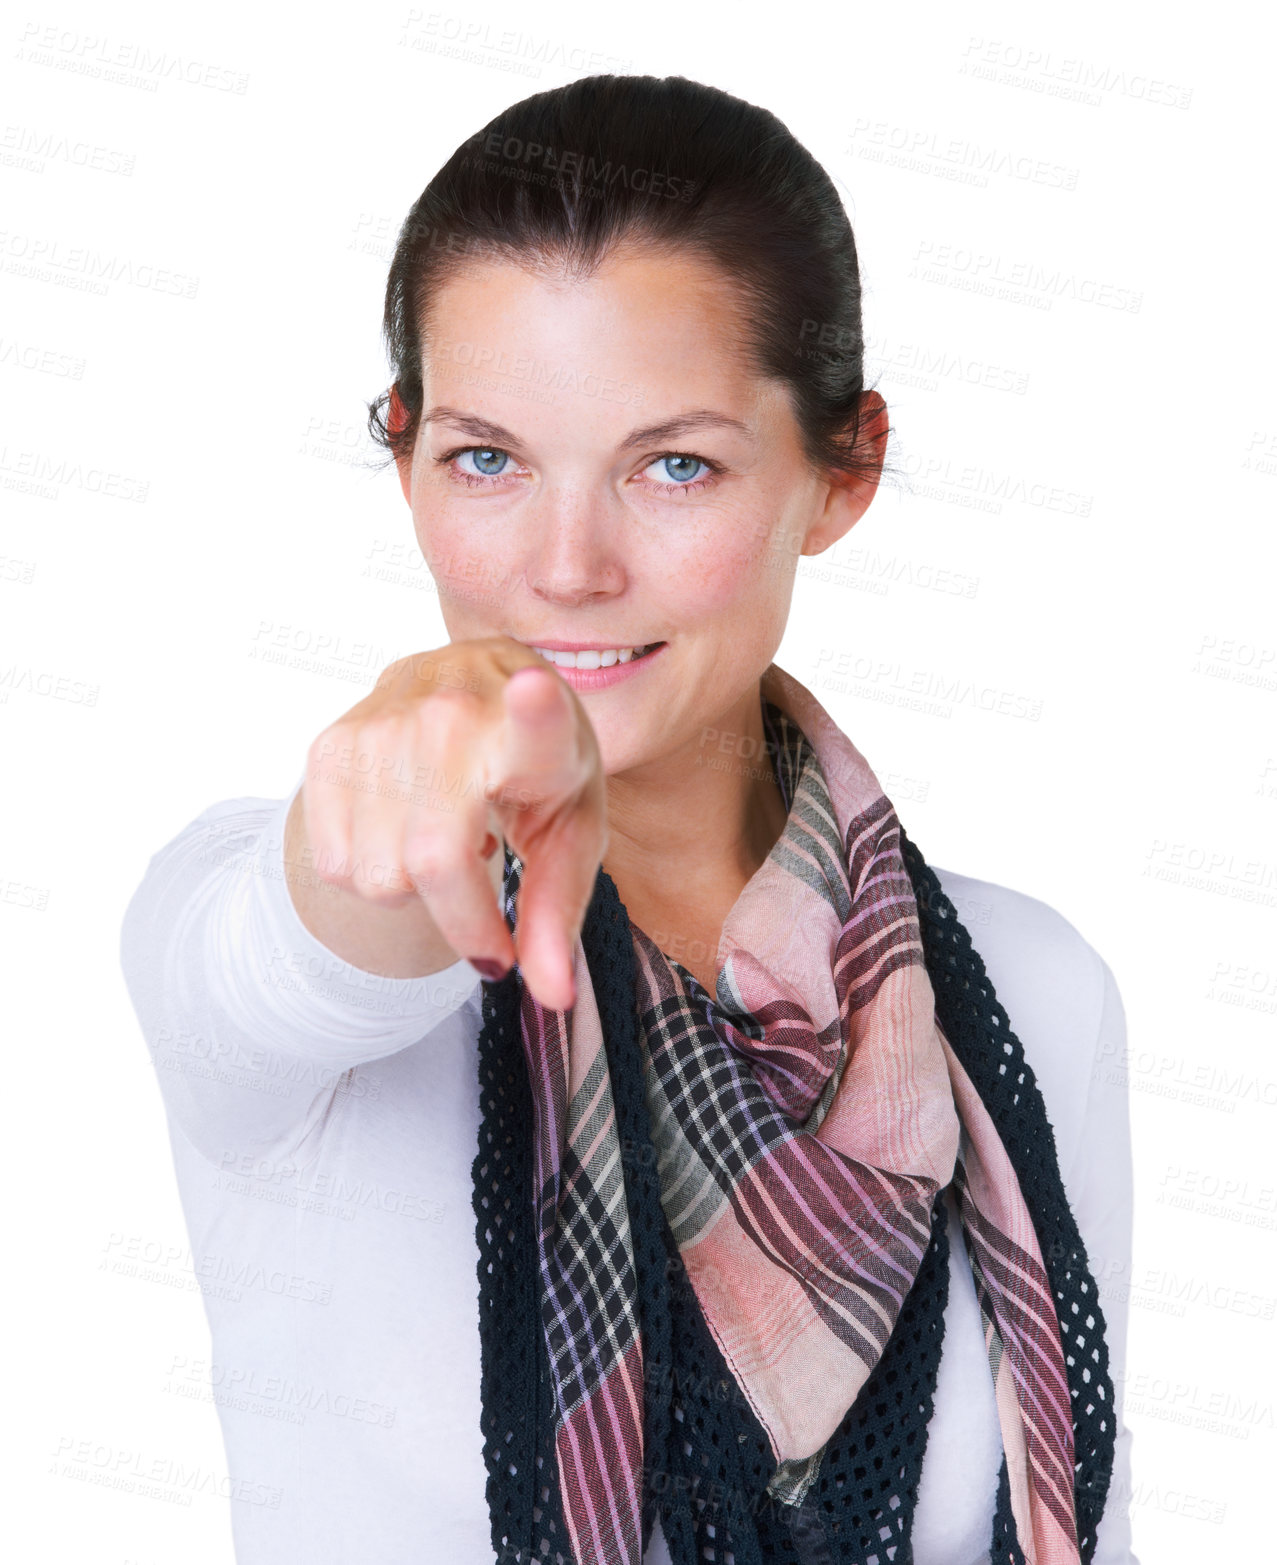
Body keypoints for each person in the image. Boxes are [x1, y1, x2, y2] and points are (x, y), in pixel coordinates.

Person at [119, 73, 1137, 1565]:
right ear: (401, 454)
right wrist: (396, 785)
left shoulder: (1032, 987)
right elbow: (307, 937)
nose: (568, 564)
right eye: (487, 457)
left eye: (674, 465)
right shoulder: (300, 917)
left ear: (839, 469)